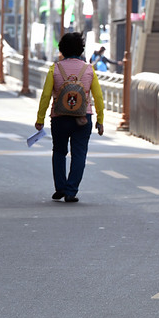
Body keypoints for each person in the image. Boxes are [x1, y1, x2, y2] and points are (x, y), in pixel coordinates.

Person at [35, 32, 105, 203]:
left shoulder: (55, 69)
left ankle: (60, 187)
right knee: (79, 154)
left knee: (59, 152)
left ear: (62, 50)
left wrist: (40, 119)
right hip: (83, 117)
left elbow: (45, 96)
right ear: (81, 50)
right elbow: (98, 97)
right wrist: (100, 120)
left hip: (59, 117)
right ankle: (71, 190)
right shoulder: (89, 69)